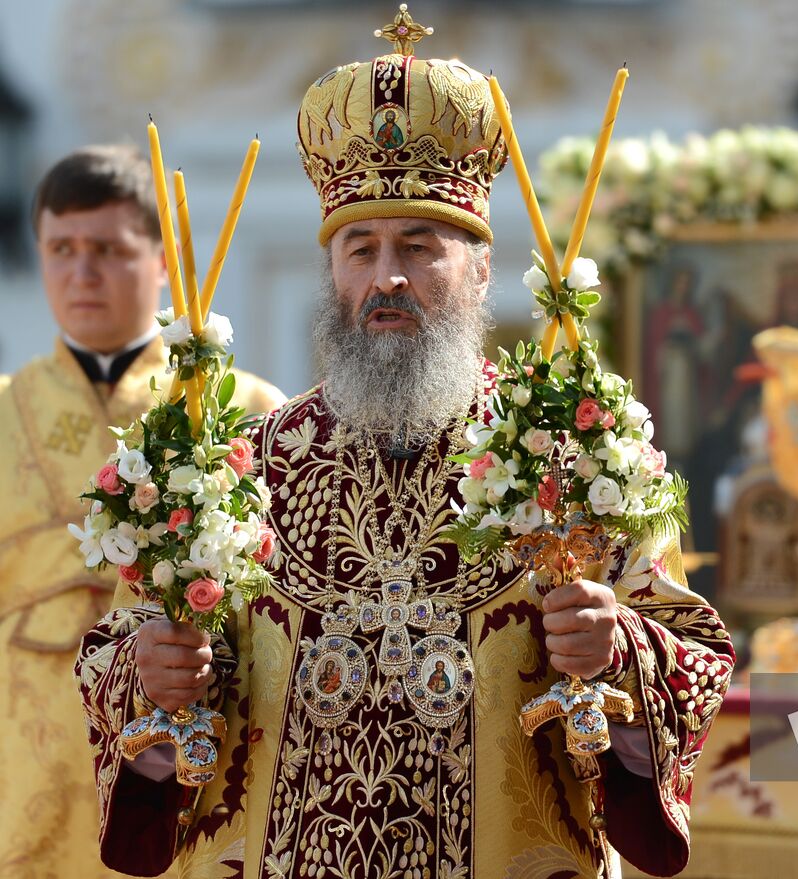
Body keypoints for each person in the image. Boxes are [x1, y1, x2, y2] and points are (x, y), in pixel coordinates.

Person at [74, 11, 733, 879]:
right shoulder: (239, 469)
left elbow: (694, 651)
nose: (386, 276)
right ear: (333, 271)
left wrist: (619, 649)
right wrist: (152, 671)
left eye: (418, 247)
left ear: (481, 270)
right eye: (361, 249)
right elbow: (125, 654)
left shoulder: (576, 462)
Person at [0, 144, 283, 877]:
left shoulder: (250, 412)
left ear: (163, 260)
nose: (82, 272)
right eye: (62, 249)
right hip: (22, 760)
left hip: (186, 756)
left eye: (108, 249)